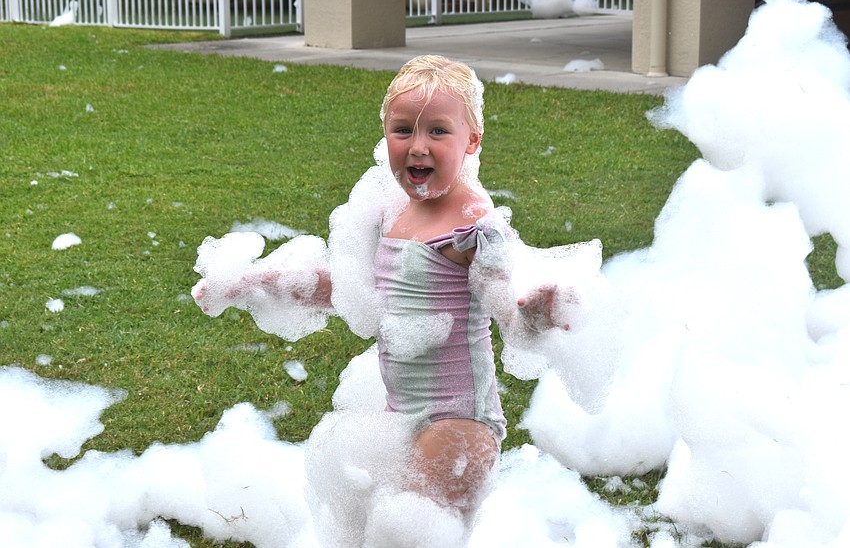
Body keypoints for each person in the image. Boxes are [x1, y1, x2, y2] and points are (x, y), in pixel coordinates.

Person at [192, 55, 593, 537]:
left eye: (438, 131)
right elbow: (347, 288)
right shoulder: (390, 209)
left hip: (459, 424)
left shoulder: (473, 224)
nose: (418, 146)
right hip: (398, 417)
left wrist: (538, 310)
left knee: (408, 533)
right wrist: (253, 281)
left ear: (472, 140)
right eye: (403, 130)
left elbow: (508, 308)